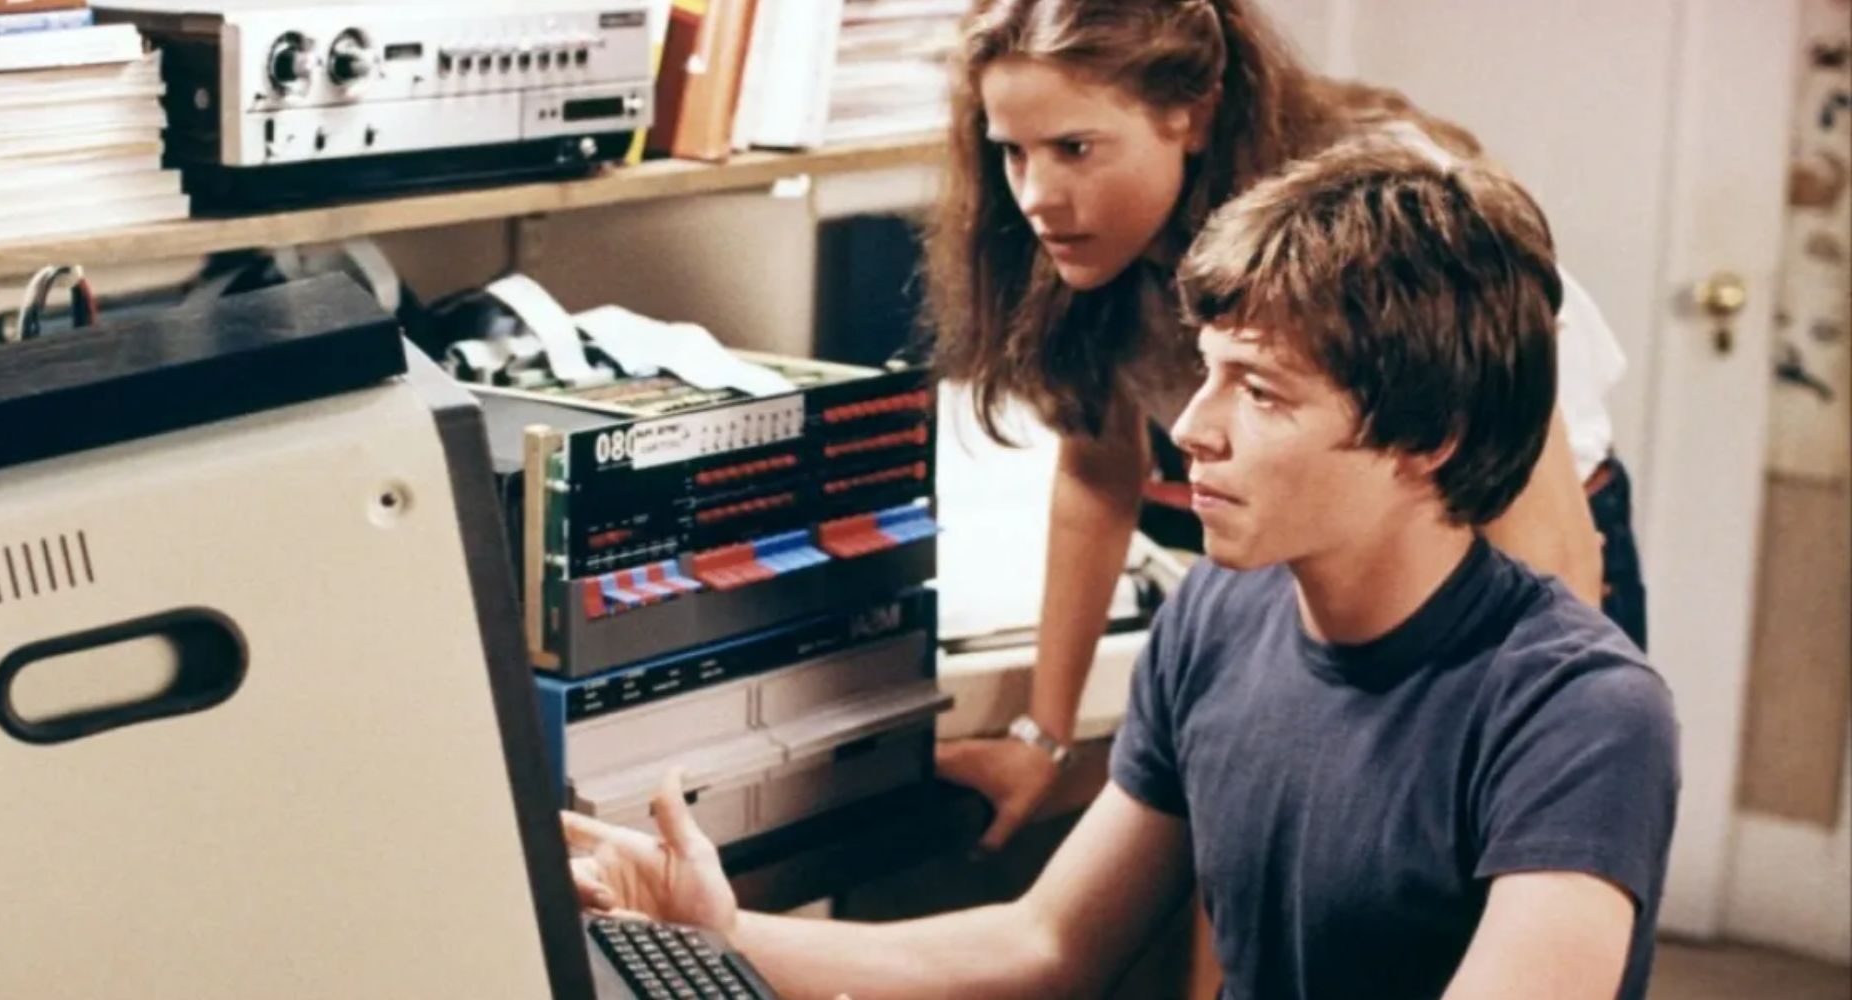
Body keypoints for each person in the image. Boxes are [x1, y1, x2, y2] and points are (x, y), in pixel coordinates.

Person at [563, 139, 1681, 1000]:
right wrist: (718, 932)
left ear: (1425, 436)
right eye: (1206, 372)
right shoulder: (1219, 617)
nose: (1190, 427)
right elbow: (1043, 943)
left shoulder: (1579, 711)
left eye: (1261, 390)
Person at [925, 0, 1645, 852]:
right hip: (1325, 552)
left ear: (1188, 117)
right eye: (1013, 152)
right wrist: (1043, 738)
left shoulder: (1389, 214)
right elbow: (1094, 477)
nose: (1037, 196)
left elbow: (1547, 545)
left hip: (1500, 545)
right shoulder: (1096, 244)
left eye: (1075, 148)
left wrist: (1516, 765)